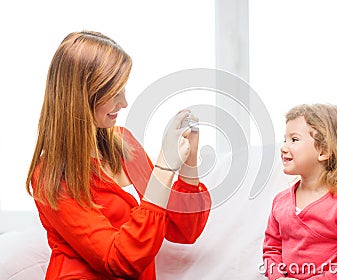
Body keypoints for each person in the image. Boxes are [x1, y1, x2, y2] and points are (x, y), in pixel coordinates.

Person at [26, 30, 211, 280]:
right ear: (82, 95)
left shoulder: (123, 144)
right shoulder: (52, 176)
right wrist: (164, 169)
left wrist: (189, 161)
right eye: (114, 93)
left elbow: (183, 230)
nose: (124, 102)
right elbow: (119, 260)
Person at [262, 104, 337, 280]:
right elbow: (272, 249)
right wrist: (277, 277)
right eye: (285, 140)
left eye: (294, 140)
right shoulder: (280, 202)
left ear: (324, 150)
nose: (284, 147)